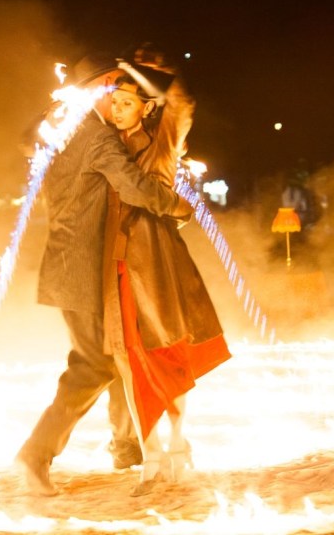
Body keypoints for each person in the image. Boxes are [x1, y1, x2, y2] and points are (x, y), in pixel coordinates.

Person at [14, 53, 193, 497]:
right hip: (79, 269)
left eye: (119, 88)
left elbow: (26, 142)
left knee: (117, 352)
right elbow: (135, 187)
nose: (116, 96)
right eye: (110, 87)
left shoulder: (66, 130)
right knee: (94, 363)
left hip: (70, 265)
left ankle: (126, 446)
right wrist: (179, 207)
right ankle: (34, 456)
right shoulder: (97, 138)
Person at [104, 47, 231, 496]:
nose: (116, 110)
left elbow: (182, 104)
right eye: (113, 102)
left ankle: (178, 444)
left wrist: (142, 69)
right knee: (125, 360)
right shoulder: (100, 147)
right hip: (110, 263)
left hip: (154, 260)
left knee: (165, 352)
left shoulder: (162, 142)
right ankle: (149, 455)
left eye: (126, 102)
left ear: (146, 106)